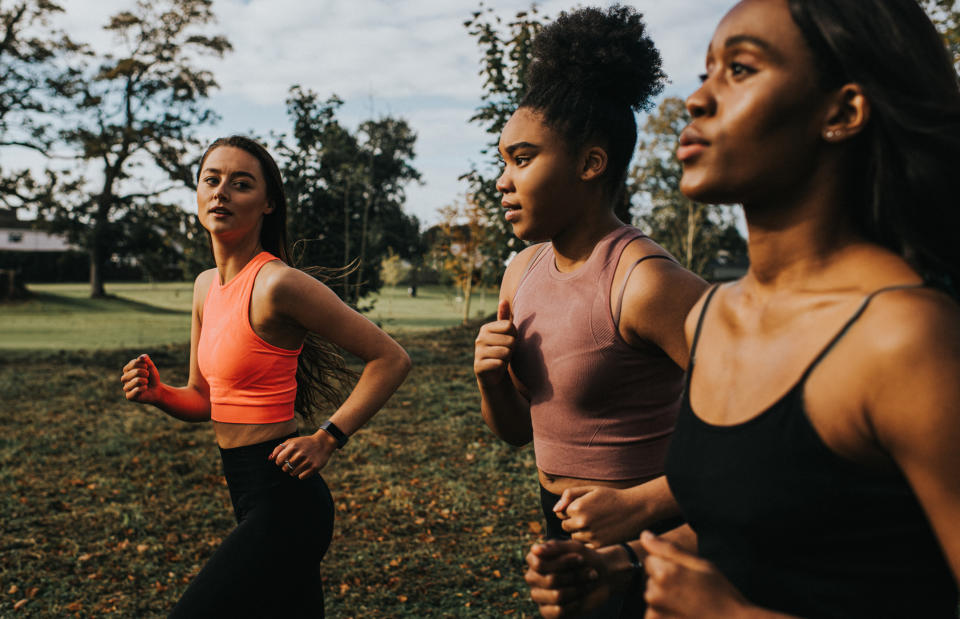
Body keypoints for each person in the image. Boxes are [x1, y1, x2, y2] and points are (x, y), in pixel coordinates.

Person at [524, 0, 960, 617]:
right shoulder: (714, 316)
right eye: (705, 72)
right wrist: (625, 564)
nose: (697, 99)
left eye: (742, 69)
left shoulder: (904, 338)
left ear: (842, 111)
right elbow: (749, 518)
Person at [472, 6, 706, 615]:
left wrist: (646, 502)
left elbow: (770, 436)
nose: (501, 180)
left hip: (660, 531)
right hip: (558, 520)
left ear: (590, 163)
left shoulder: (645, 283)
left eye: (521, 159)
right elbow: (518, 432)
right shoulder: (520, 271)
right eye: (502, 160)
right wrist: (491, 381)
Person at [119, 135, 411, 617]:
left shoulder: (278, 284)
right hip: (245, 492)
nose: (221, 193)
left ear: (268, 203)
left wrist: (328, 438)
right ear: (196, 193)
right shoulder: (205, 287)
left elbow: (391, 358)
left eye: (241, 184)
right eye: (211, 180)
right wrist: (160, 395)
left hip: (287, 502)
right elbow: (203, 400)